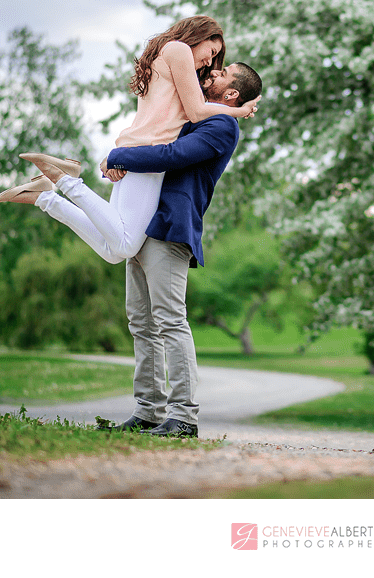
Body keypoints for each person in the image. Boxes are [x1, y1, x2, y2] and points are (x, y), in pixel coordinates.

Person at [0, 16, 259, 266]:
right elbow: (198, 111)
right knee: (127, 246)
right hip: (149, 154)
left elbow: (196, 104)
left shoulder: (168, 53)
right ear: (199, 36)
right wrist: (239, 110)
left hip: (136, 149)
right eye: (210, 53)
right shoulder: (179, 51)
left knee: (112, 251)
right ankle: (65, 179)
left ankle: (46, 198)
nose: (210, 63)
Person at [101, 60, 263, 438]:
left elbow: (172, 156)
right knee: (140, 321)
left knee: (170, 320)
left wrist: (118, 156)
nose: (212, 72)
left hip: (171, 227)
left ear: (232, 92)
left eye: (222, 74)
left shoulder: (223, 126)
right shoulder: (199, 114)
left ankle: (184, 416)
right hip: (142, 222)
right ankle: (147, 410)